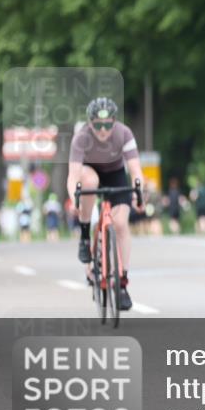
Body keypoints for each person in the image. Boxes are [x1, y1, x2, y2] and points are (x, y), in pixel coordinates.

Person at [66, 97, 144, 311]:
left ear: (114, 121)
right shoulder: (81, 137)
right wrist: (75, 197)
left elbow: (136, 170)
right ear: (90, 123)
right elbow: (73, 176)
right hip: (90, 171)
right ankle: (84, 235)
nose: (103, 129)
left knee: (120, 224)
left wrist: (139, 193)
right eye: (98, 125)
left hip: (116, 174)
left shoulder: (124, 133)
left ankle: (122, 282)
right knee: (89, 182)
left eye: (107, 124)